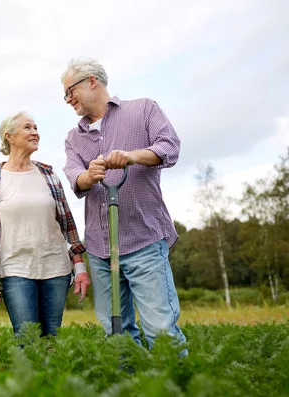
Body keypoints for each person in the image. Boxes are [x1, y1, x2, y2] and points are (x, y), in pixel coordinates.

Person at [60, 57, 187, 351]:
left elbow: (169, 146)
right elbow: (73, 176)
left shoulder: (143, 109)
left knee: (161, 331)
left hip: (142, 240)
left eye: (70, 91)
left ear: (92, 81)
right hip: (100, 250)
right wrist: (88, 176)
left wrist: (132, 156)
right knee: (117, 333)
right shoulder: (73, 138)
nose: (68, 100)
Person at [0, 111, 91, 337]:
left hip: (55, 267)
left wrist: (80, 266)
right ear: (10, 137)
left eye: (36, 127)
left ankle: (50, 373)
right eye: (28, 127)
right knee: (26, 338)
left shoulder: (48, 174)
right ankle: (28, 373)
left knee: (51, 338)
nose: (35, 132)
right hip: (15, 268)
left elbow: (67, 223)